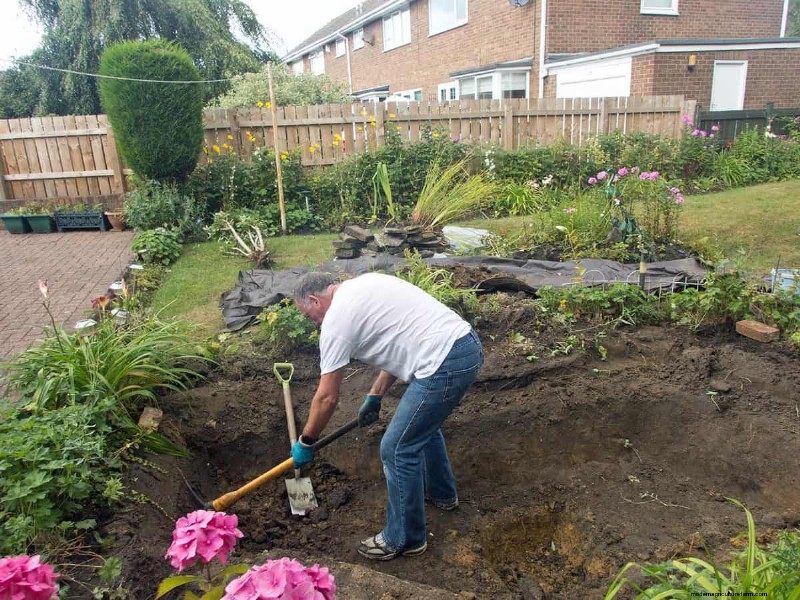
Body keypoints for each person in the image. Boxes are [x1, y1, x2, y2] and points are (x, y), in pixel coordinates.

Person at [290, 271, 483, 561]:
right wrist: (375, 394)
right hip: (465, 345)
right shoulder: (367, 284)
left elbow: (327, 397)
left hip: (443, 362)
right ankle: (443, 495)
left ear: (315, 299)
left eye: (309, 315)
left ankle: (404, 538)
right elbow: (399, 340)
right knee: (421, 430)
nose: (314, 322)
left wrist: (306, 442)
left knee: (395, 449)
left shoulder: (336, 321)